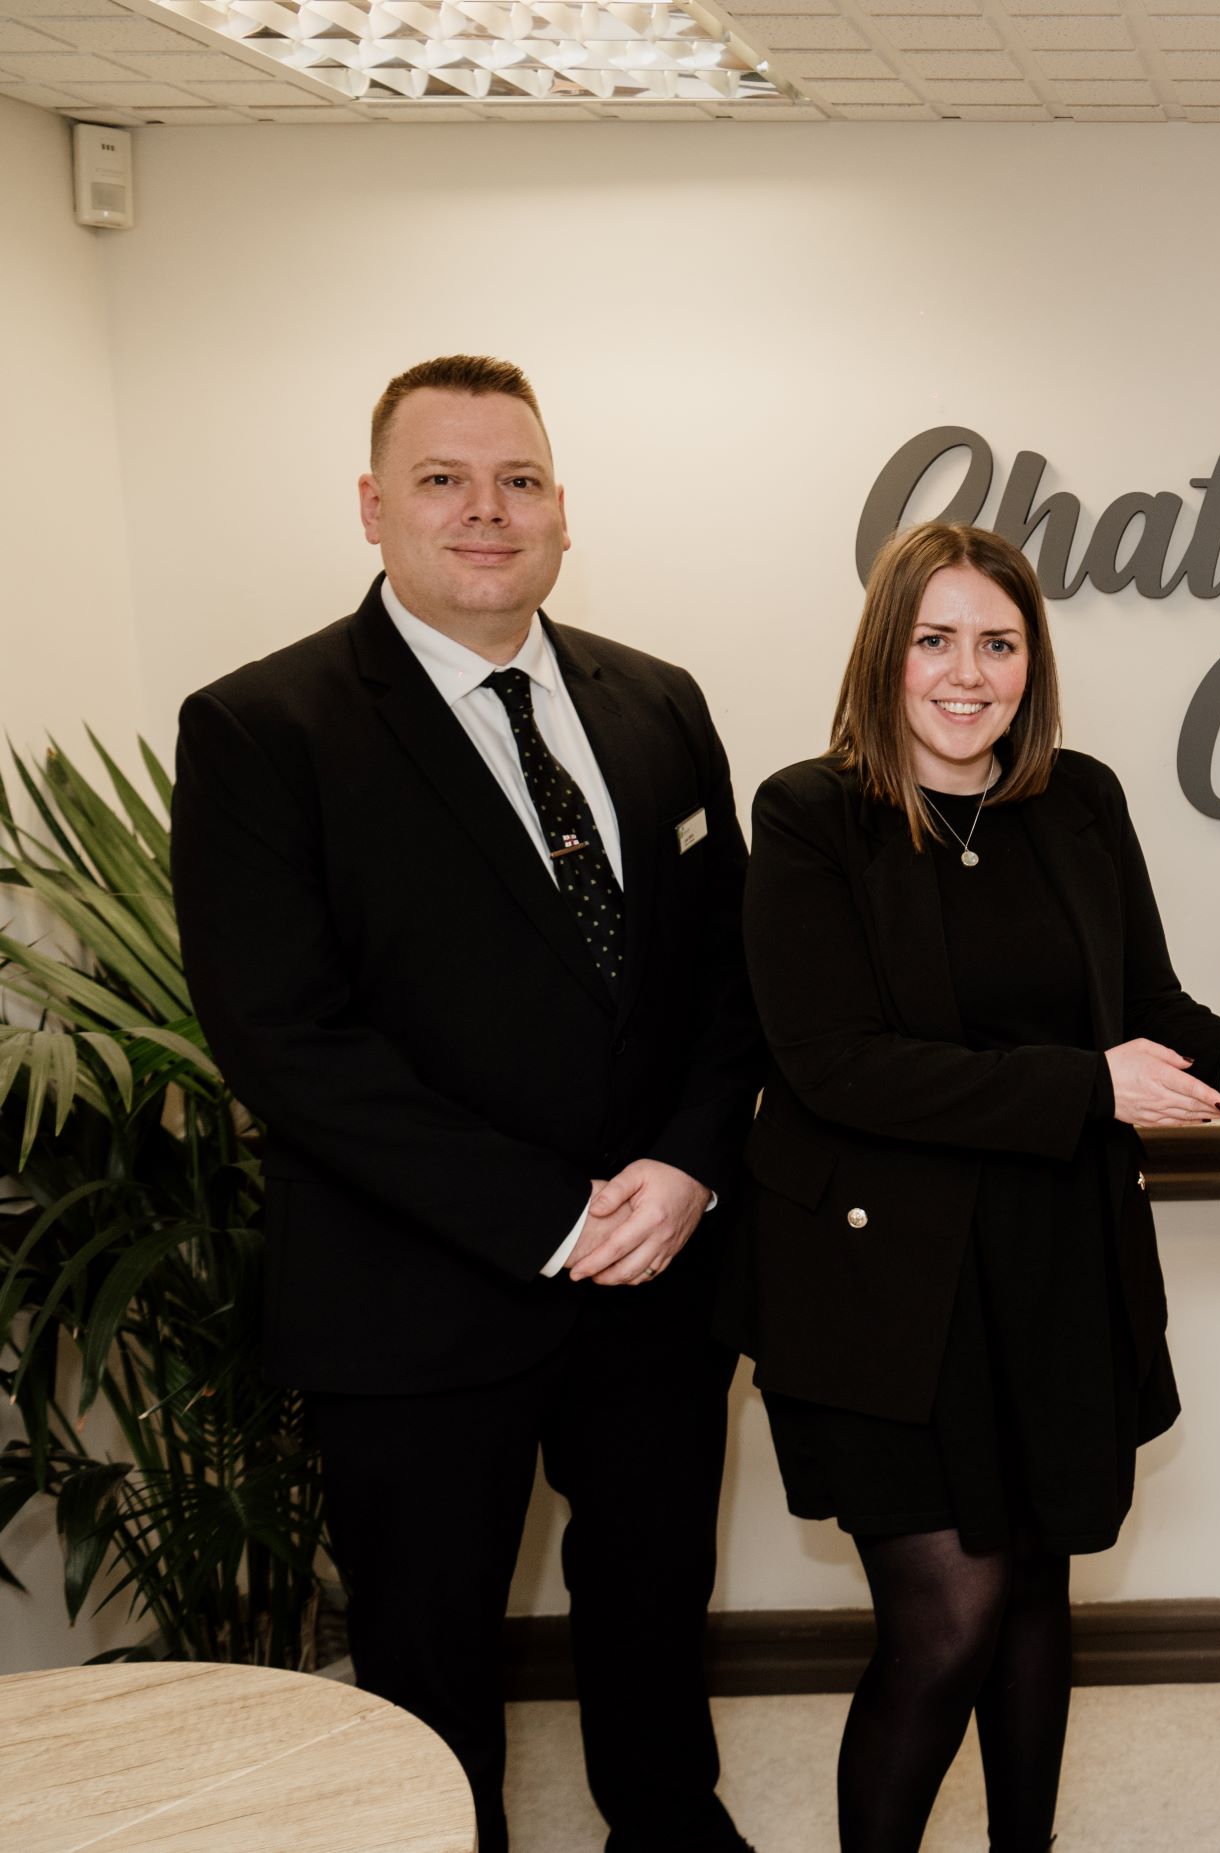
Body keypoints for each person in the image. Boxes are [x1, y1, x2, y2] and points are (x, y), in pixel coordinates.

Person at [170, 355, 761, 1853]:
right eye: (443, 480)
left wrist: (689, 1167)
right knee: (429, 1669)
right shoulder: (264, 729)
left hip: (657, 1286)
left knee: (653, 1621)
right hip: (415, 1302)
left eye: (519, 480)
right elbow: (289, 1043)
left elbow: (725, 978)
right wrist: (552, 1213)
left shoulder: (658, 702)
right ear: (373, 507)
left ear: (565, 511)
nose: (485, 512)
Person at [726, 520, 1220, 1853]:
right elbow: (837, 1064)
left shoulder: (1079, 800)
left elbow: (1152, 1009)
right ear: (886, 650)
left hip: (1058, 1262)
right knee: (946, 1619)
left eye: (1000, 643)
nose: (970, 673)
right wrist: (1085, 1086)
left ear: (1033, 659)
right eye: (936, 639)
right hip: (890, 1295)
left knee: (1035, 1597)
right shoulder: (808, 815)